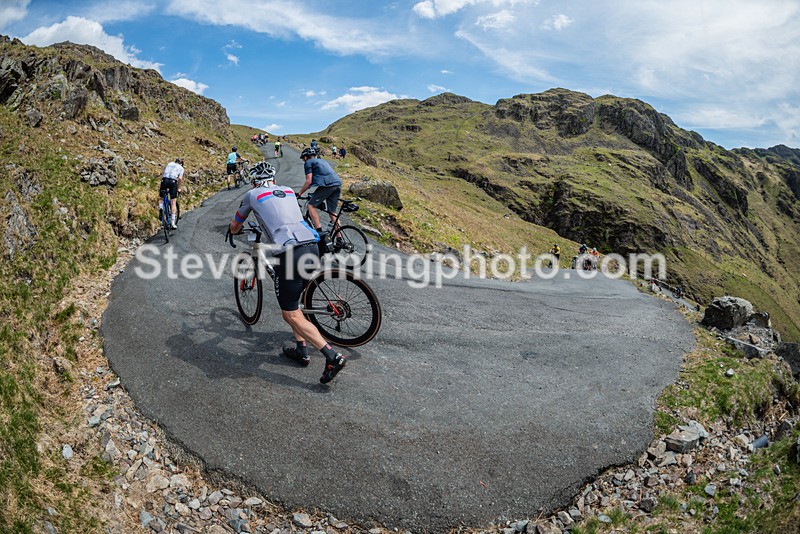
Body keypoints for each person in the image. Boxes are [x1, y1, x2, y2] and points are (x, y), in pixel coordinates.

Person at [227, 164, 348, 384]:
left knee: (289, 313)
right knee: (295, 303)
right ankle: (301, 349)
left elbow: (236, 225)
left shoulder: (252, 194)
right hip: (311, 244)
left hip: (291, 251)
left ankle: (332, 357)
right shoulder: (289, 191)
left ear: (254, 181)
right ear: (273, 179)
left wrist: (232, 229)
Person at [297, 147, 342, 239]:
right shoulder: (323, 161)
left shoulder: (308, 163)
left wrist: (299, 193)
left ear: (306, 157)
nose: (303, 160)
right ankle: (339, 238)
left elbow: (308, 181)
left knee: (311, 206)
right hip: (337, 184)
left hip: (328, 185)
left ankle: (319, 233)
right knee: (332, 212)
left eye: (303, 158)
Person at [160, 157, 184, 229]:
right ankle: (173, 223)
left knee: (161, 198)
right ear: (181, 163)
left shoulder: (170, 163)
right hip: (173, 182)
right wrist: (178, 188)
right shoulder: (181, 168)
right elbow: (180, 179)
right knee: (173, 202)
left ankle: (161, 208)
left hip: (164, 180)